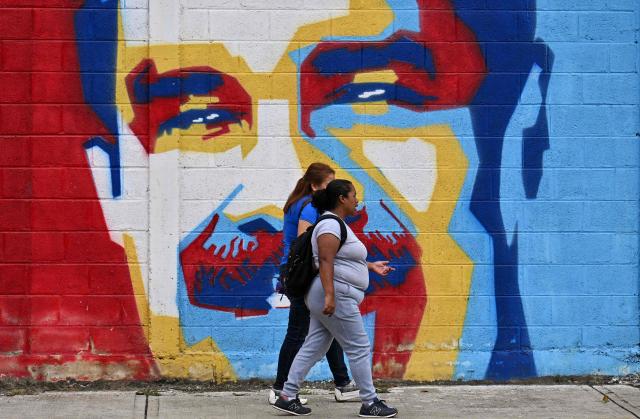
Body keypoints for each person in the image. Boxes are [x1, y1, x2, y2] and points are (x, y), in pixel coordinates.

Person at [273, 180, 398, 418]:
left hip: (331, 293)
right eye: (354, 195)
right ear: (342, 198)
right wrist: (330, 296)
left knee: (314, 345)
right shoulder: (330, 225)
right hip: (334, 294)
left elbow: (341, 259)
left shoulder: (335, 224)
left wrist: (370, 266)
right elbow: (326, 261)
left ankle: (287, 395)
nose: (357, 200)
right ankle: (370, 402)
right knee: (359, 346)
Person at [269, 163, 359, 405]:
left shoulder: (300, 202)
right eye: (328, 184)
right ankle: (280, 389)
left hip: (297, 271)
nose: (332, 188)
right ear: (315, 185)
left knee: (326, 327)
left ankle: (342, 382)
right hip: (303, 273)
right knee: (298, 331)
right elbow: (305, 240)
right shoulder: (310, 207)